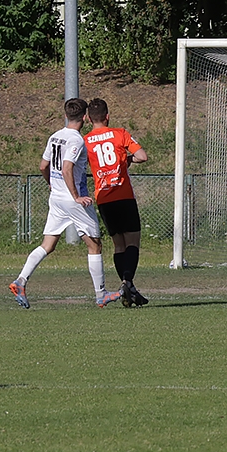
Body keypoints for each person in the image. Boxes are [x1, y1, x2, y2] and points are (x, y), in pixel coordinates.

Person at [8, 98, 122, 309]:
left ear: (66, 115)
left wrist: (52, 184)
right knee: (95, 245)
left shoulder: (55, 137)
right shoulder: (77, 140)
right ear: (86, 118)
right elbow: (67, 168)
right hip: (73, 201)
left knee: (48, 245)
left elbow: (44, 165)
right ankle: (101, 294)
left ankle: (21, 281)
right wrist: (76, 196)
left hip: (57, 199)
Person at [85, 98, 150, 307]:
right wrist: (127, 160)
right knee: (132, 242)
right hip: (123, 195)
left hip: (103, 198)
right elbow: (142, 156)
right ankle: (127, 283)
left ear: (88, 119)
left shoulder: (86, 141)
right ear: (107, 116)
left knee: (118, 245)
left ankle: (128, 289)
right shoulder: (120, 134)